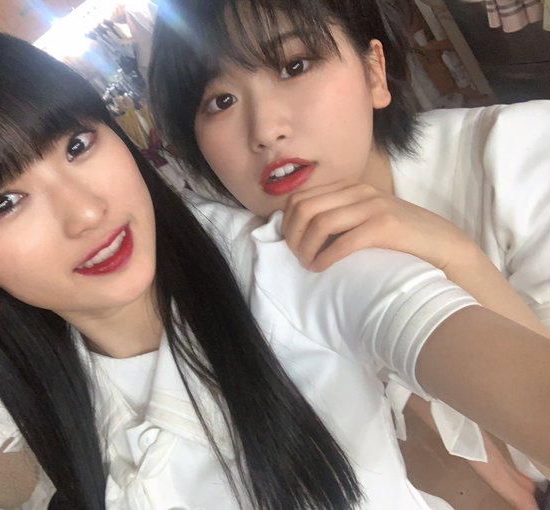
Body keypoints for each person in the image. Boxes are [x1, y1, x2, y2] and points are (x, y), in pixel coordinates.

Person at [0, 28, 549, 510]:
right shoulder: (30, 372)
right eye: (4, 203)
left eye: (77, 144)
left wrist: (457, 258)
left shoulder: (290, 269)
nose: (86, 212)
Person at [147, 0, 550, 507]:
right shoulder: (282, 252)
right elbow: (396, 367)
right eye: (220, 100)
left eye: (294, 66)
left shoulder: (524, 156)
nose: (265, 130)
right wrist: (504, 478)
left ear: (374, 72)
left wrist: (457, 256)